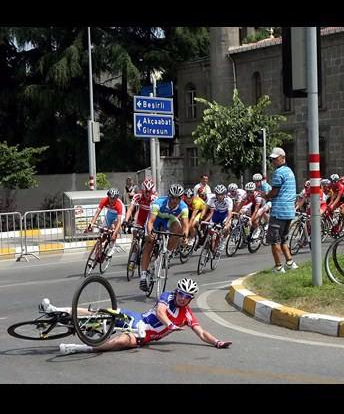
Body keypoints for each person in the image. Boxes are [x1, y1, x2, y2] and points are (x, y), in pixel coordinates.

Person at [51, 278, 232, 354]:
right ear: (176, 292)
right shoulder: (167, 296)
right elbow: (161, 312)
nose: (182, 298)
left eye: (187, 297)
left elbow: (201, 333)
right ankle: (56, 309)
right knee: (98, 313)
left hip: (143, 335)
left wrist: (217, 342)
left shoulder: (187, 315)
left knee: (120, 341)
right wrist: (170, 325)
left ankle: (78, 348)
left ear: (190, 299)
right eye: (181, 294)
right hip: (137, 318)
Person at [138, 184, 190, 292]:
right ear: (169, 196)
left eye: (178, 198)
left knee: (178, 229)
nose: (175, 201)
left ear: (181, 198)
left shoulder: (183, 207)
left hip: (169, 220)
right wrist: (150, 233)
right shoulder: (158, 203)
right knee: (149, 242)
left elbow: (186, 225)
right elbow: (151, 222)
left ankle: (168, 253)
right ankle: (143, 276)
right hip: (156, 219)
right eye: (173, 198)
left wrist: (185, 237)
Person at [263, 147, 297, 273]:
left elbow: (275, 192)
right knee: (284, 239)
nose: (273, 162)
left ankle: (278, 267)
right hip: (289, 211)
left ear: (282, 158)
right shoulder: (289, 171)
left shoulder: (278, 173)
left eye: (275, 159)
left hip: (279, 211)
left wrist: (266, 195)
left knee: (274, 240)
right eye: (272, 160)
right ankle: (290, 262)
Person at [87, 188, 125, 258]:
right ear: (108, 197)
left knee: (114, 229)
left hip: (119, 214)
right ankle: (98, 252)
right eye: (110, 198)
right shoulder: (104, 200)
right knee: (103, 230)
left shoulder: (119, 204)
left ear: (116, 198)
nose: (112, 200)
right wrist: (91, 224)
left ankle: (112, 247)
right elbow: (96, 214)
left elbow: (119, 222)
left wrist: (114, 233)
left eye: (114, 199)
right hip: (110, 212)